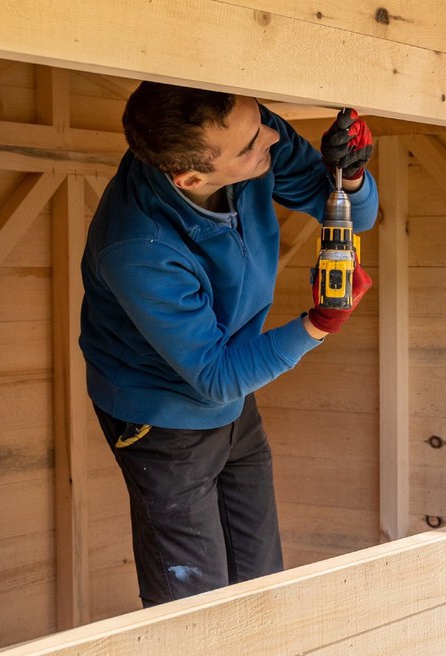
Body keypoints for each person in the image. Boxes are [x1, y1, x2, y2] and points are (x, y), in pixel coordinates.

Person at [79, 82, 378, 606]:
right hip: (163, 416)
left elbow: (358, 213)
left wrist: (349, 176)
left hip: (234, 384)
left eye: (261, 119)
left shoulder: (246, 135)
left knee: (261, 580)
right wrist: (318, 325)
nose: (272, 135)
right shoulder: (137, 247)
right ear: (192, 178)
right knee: (194, 604)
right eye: (250, 144)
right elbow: (214, 376)